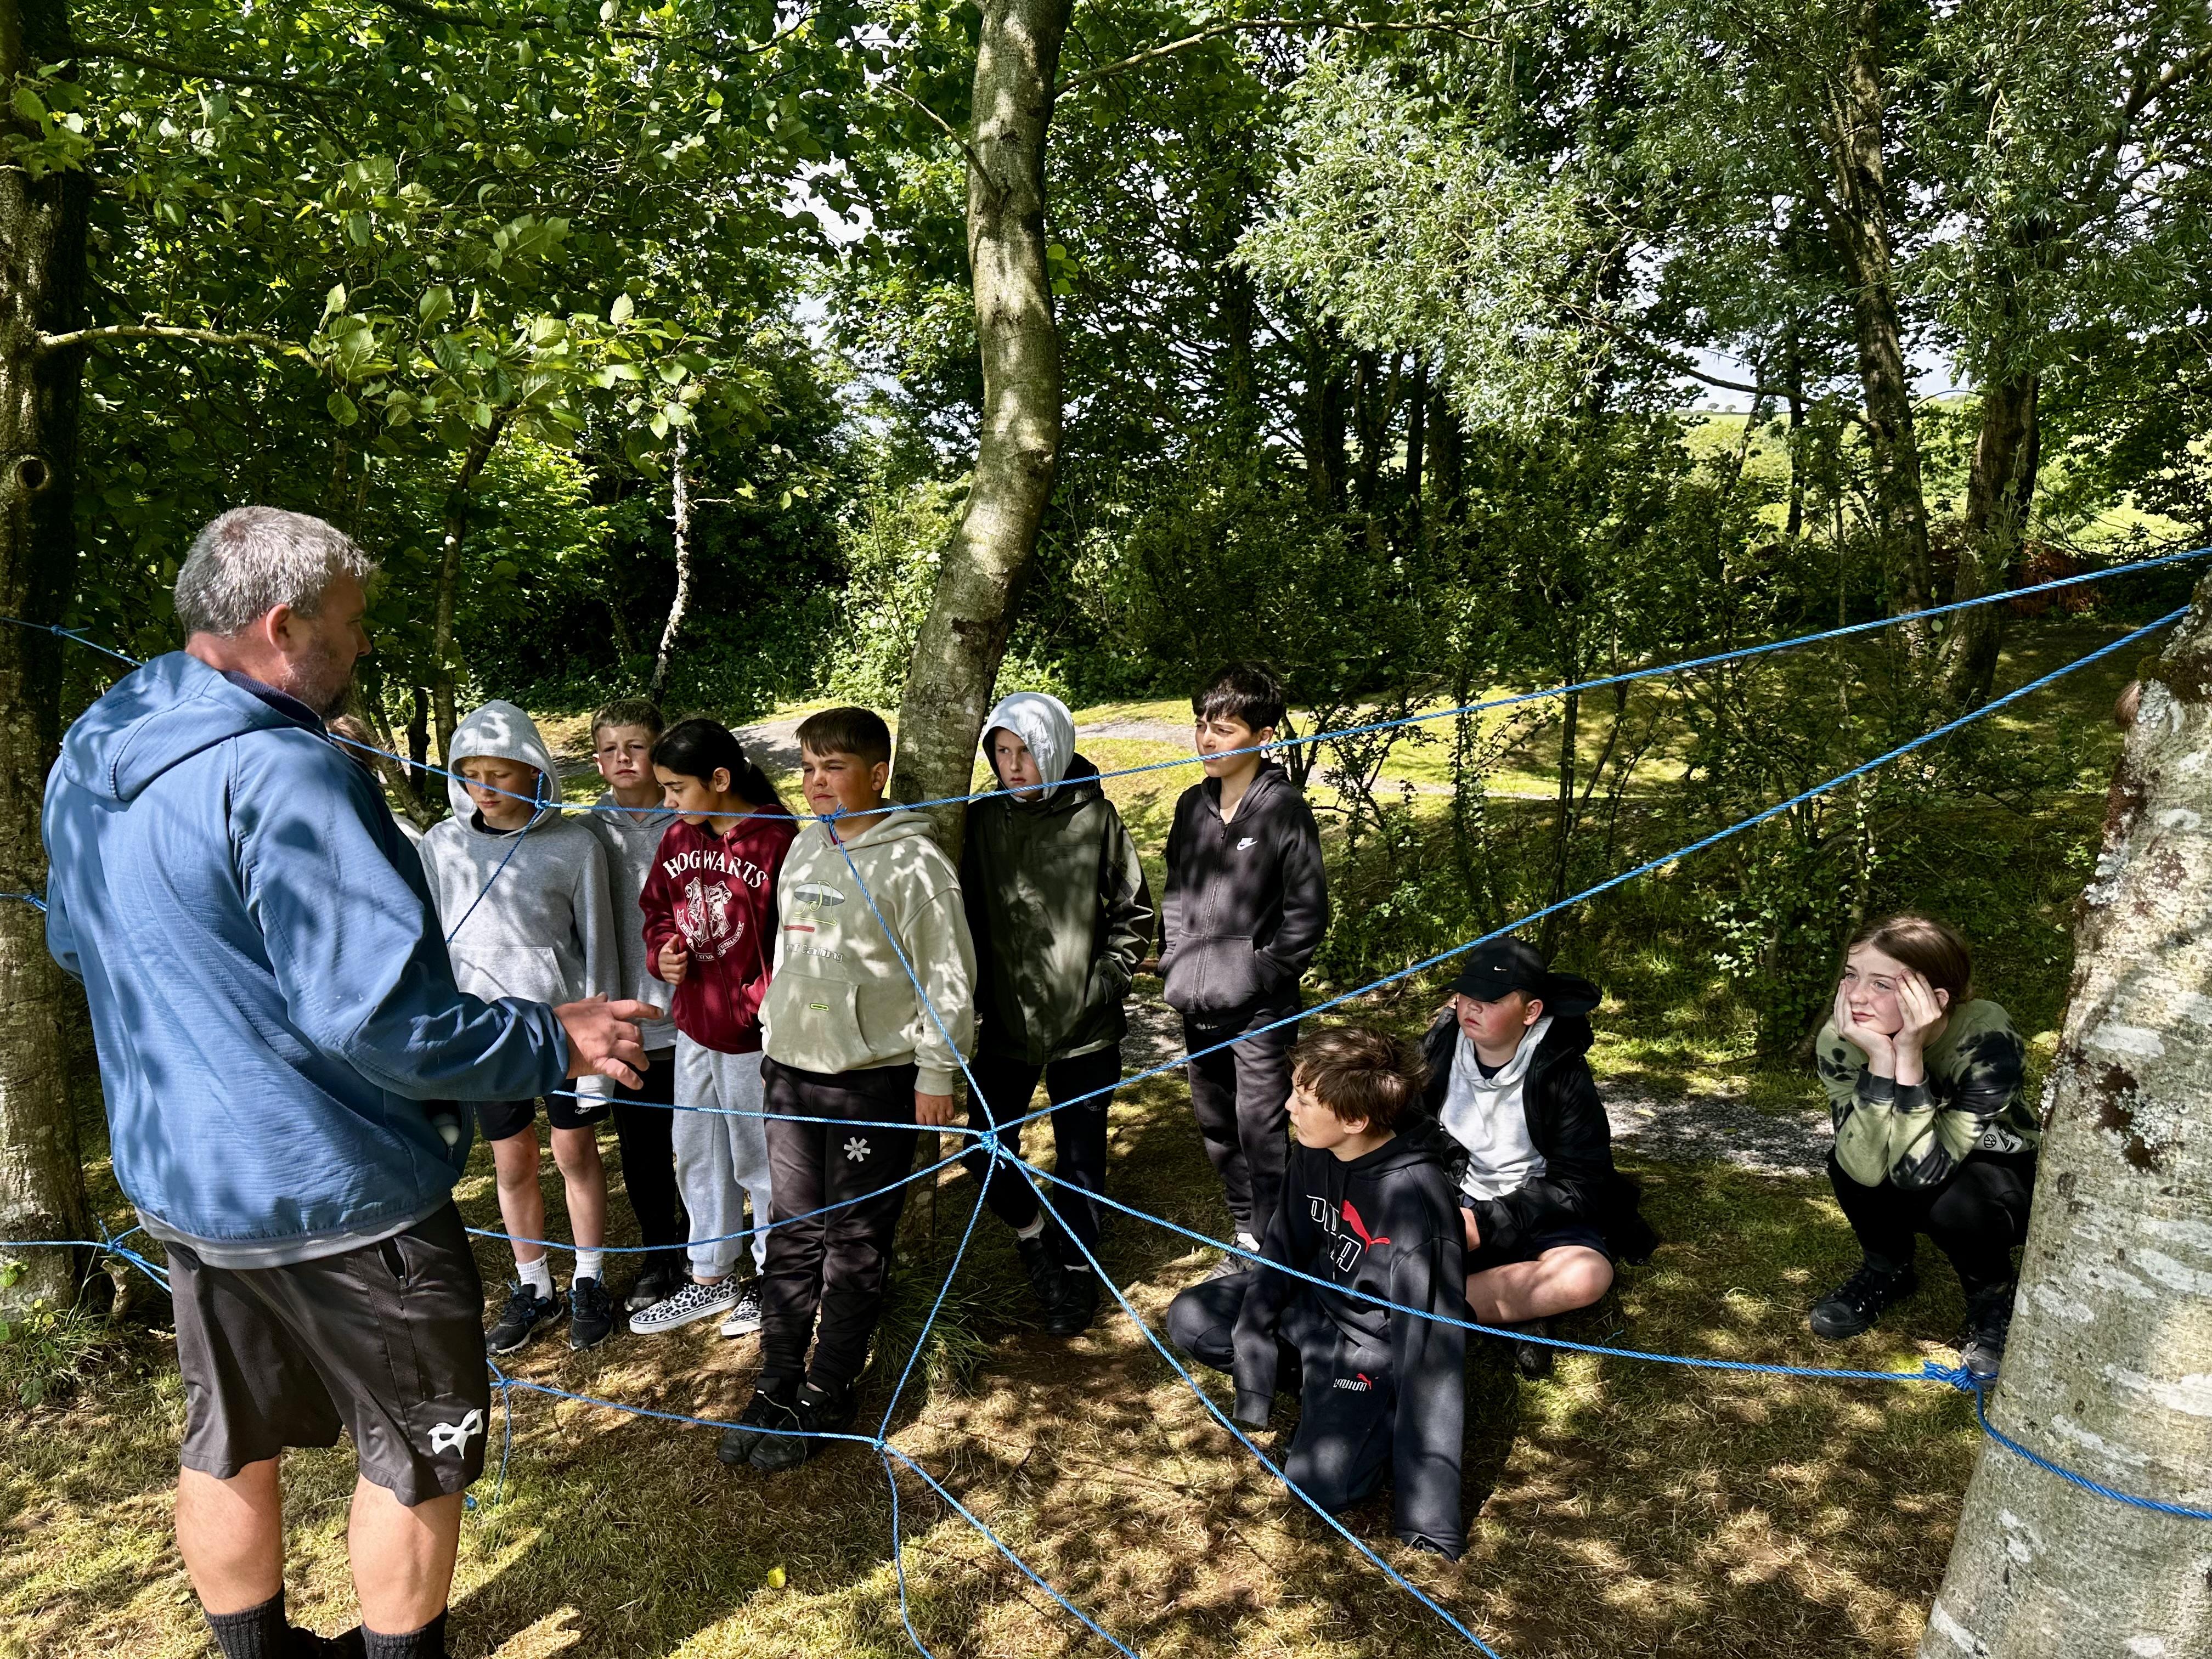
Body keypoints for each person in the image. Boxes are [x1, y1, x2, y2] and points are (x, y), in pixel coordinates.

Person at [41, 506, 654, 1659]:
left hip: (188, 1186)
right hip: (344, 1193)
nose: (364, 643)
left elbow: (76, 944)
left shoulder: (92, 748)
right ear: (283, 626)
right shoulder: (288, 773)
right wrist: (548, 1036)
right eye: (354, 621)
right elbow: (381, 1019)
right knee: (417, 1454)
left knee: (227, 1435)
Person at [714, 706, 977, 1473]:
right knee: (793, 1231)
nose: (817, 782)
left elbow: (948, 979)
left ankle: (830, 1388)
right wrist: (777, 1025)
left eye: (834, 767)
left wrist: (937, 1072)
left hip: (872, 1083)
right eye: (808, 767)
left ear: (877, 774)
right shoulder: (805, 846)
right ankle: (776, 1381)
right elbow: (791, 955)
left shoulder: (916, 866)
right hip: (792, 1074)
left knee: (854, 1241)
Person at [1165, 1026, 1467, 1558]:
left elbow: (1430, 1354)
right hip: (1313, 1309)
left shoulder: (1416, 1204)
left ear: (1355, 1120)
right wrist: (1255, 1348)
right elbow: (1283, 1245)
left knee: (1320, 1484)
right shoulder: (1315, 1147)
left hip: (1372, 1345)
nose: (1288, 1107)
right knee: (1192, 1316)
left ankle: (1364, 1411)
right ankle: (1317, 1389)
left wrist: (1428, 1518)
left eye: (1304, 1101)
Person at [417, 700, 622, 1355]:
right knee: (512, 1162)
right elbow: (430, 943)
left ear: (536, 772)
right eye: (472, 774)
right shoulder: (441, 846)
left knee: (575, 1154)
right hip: (488, 1038)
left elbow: (600, 948)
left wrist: (602, 1049)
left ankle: (589, 1277)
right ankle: (534, 1284)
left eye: (501, 774)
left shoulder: (575, 846)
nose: (486, 788)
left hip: (565, 1037)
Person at [959, 691, 1154, 1334]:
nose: (1014, 766)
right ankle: (1034, 1235)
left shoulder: (1096, 818)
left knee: (1080, 1160)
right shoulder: (981, 822)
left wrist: (1105, 981)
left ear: (1056, 750)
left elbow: (1134, 912)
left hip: (1085, 1029)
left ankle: (1075, 1271)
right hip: (1005, 1025)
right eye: (1002, 752)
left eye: (1027, 752)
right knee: (983, 1149)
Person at [1809, 915, 2037, 1381]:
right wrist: (1880, 1059)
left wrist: (1909, 1055)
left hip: (2000, 1169)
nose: (1855, 997)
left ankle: (1992, 1294)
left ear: (1935, 1000)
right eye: (1851, 976)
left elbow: (1921, 1173)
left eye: (1882, 984)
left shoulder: (1986, 1035)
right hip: (1909, 1160)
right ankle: (1887, 1268)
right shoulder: (1842, 1038)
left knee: (1955, 1197)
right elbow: (1861, 1165)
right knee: (1846, 1161)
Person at [1415, 937, 1655, 1379]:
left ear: (1531, 1012)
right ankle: (1512, 1309)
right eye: (1466, 993)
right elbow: (1413, 1128)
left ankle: (1425, 1306)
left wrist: (1485, 1225)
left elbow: (1580, 1184)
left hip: (1539, 1208)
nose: (1472, 1006)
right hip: (1457, 1194)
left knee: (1587, 1275)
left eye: (1491, 999)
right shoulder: (1443, 1044)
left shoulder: (1561, 1071)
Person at [629, 719, 797, 1341]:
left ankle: (776, 1278)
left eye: (677, 788)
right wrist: (661, 955)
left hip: (755, 1039)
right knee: (697, 1152)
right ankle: (709, 1275)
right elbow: (656, 911)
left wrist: (761, 999)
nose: (668, 801)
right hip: (695, 1028)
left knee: (761, 1160)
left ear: (720, 779)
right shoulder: (678, 837)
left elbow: (795, 935)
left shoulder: (777, 840)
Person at [1160, 662, 1328, 1266]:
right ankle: (1245, 1231)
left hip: (1260, 1008)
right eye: (1201, 725)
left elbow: (1307, 913)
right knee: (1216, 1125)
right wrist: (1175, 958)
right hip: (1196, 1003)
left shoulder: (1284, 811)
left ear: (1263, 736)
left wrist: (1261, 972)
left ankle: (1276, 1240)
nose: (1208, 739)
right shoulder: (1190, 806)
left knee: (1261, 1126)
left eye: (1225, 729)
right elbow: (1176, 891)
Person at [583, 697, 688, 1314]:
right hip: (627, 1023)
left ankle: (709, 1247)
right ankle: (659, 1253)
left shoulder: (691, 820)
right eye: (610, 749)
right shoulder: (586, 832)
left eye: (637, 746)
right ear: (597, 761)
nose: (623, 758)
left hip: (694, 1018)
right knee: (643, 1151)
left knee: (702, 1142)